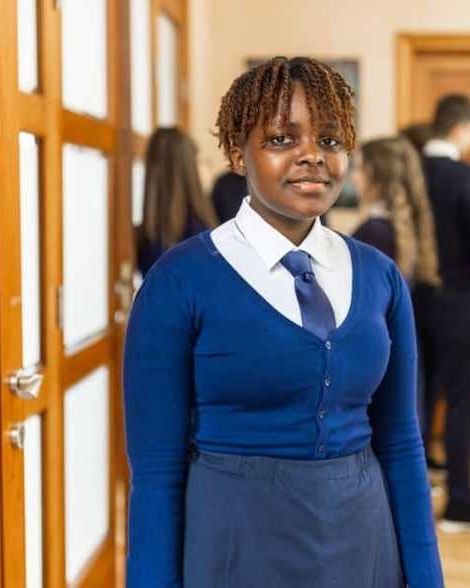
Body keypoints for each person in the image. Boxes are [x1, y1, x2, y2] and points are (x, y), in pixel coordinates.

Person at [124, 57, 441, 587]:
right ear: (235, 153)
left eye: (332, 140)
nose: (313, 156)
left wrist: (428, 578)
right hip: (234, 545)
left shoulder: (379, 276)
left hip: (363, 540)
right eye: (281, 139)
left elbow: (403, 444)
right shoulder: (180, 280)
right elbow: (156, 472)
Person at [414, 93, 470, 529]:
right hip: (459, 294)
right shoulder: (465, 175)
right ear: (463, 127)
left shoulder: (410, 172)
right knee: (462, 398)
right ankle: (459, 499)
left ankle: (414, 484)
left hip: (412, 295)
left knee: (418, 392)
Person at [350, 136, 441, 287]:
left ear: (378, 177)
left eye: (359, 169)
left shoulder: (374, 231)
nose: (353, 177)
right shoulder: (406, 222)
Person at [135, 127, 219, 277]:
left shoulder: (145, 236)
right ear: (186, 169)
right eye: (200, 161)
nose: (207, 168)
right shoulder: (200, 235)